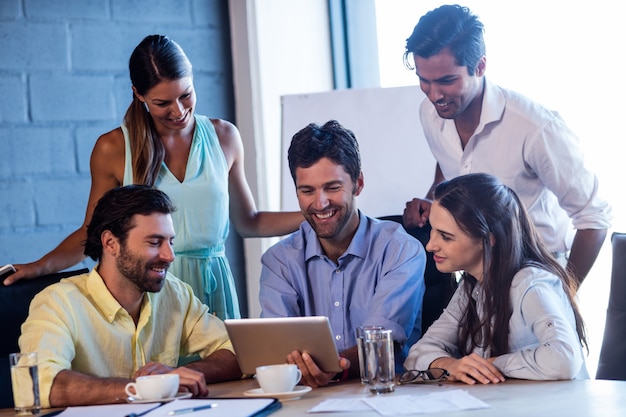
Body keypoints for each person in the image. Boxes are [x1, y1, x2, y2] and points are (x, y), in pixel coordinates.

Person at [4, 34, 303, 319]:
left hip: (214, 293)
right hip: (151, 290)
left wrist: (315, 214)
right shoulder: (114, 148)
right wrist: (39, 267)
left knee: (224, 369)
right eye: (162, 103)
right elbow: (90, 234)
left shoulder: (224, 136)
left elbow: (249, 221)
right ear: (139, 94)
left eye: (186, 95)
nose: (178, 111)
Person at [401, 4, 611, 284]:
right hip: (476, 272)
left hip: (538, 273)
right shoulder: (430, 114)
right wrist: (432, 198)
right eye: (423, 80)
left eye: (447, 81)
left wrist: (565, 295)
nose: (434, 94)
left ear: (480, 66)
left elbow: (594, 218)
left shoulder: (536, 127)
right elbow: (449, 161)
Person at [18, 185, 242, 408]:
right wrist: (140, 389)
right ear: (111, 243)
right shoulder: (58, 302)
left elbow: (237, 350)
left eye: (170, 242)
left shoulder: (175, 293)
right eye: (154, 243)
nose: (170, 256)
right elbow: (37, 384)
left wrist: (176, 375)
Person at [259, 120, 426, 387]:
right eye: (307, 191)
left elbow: (380, 345)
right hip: (308, 399)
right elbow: (278, 347)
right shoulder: (279, 260)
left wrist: (331, 368)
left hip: (387, 395)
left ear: (358, 184)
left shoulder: (401, 250)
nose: (320, 203)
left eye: (332, 187)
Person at [404, 173, 588, 384]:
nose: (430, 245)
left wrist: (490, 365)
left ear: (487, 239)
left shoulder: (531, 284)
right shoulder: (470, 287)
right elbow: (417, 354)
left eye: (445, 236)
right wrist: (449, 365)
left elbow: (565, 358)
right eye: (433, 231)